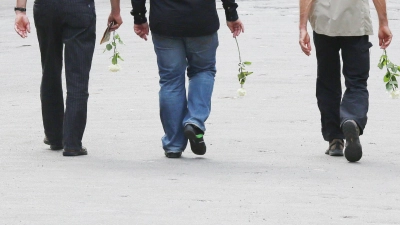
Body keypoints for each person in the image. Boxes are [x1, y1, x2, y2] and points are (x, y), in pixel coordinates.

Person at [131, 0, 244, 158]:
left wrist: (139, 16)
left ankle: (174, 144)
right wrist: (231, 13)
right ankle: (195, 120)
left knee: (170, 80)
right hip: (201, 20)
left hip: (165, 21)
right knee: (203, 71)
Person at [14, 0, 123, 156]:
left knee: (50, 70)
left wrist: (20, 10)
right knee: (78, 75)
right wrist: (115, 10)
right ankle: (72, 142)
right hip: (79, 8)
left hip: (46, 7)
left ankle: (54, 136)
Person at [299, 0, 393, 162]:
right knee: (357, 80)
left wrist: (302, 27)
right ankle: (352, 119)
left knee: (327, 80)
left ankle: (335, 139)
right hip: (356, 20)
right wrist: (383, 22)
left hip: (324, 21)